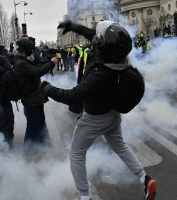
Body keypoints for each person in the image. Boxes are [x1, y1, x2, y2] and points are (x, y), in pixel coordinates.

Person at [41, 20, 158, 200]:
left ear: (102, 47)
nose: (94, 39)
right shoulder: (120, 60)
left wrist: (47, 88)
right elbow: (92, 34)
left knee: (77, 154)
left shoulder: (100, 74)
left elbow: (72, 96)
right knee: (120, 145)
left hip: (94, 118)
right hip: (113, 114)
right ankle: (144, 178)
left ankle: (84, 196)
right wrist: (73, 26)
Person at [13, 38, 58, 153]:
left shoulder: (23, 61)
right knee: (33, 124)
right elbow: (36, 72)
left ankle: (41, 143)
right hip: (30, 98)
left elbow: (35, 68)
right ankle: (28, 149)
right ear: (26, 50)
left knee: (40, 122)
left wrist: (46, 61)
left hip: (34, 97)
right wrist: (51, 63)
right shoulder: (21, 63)